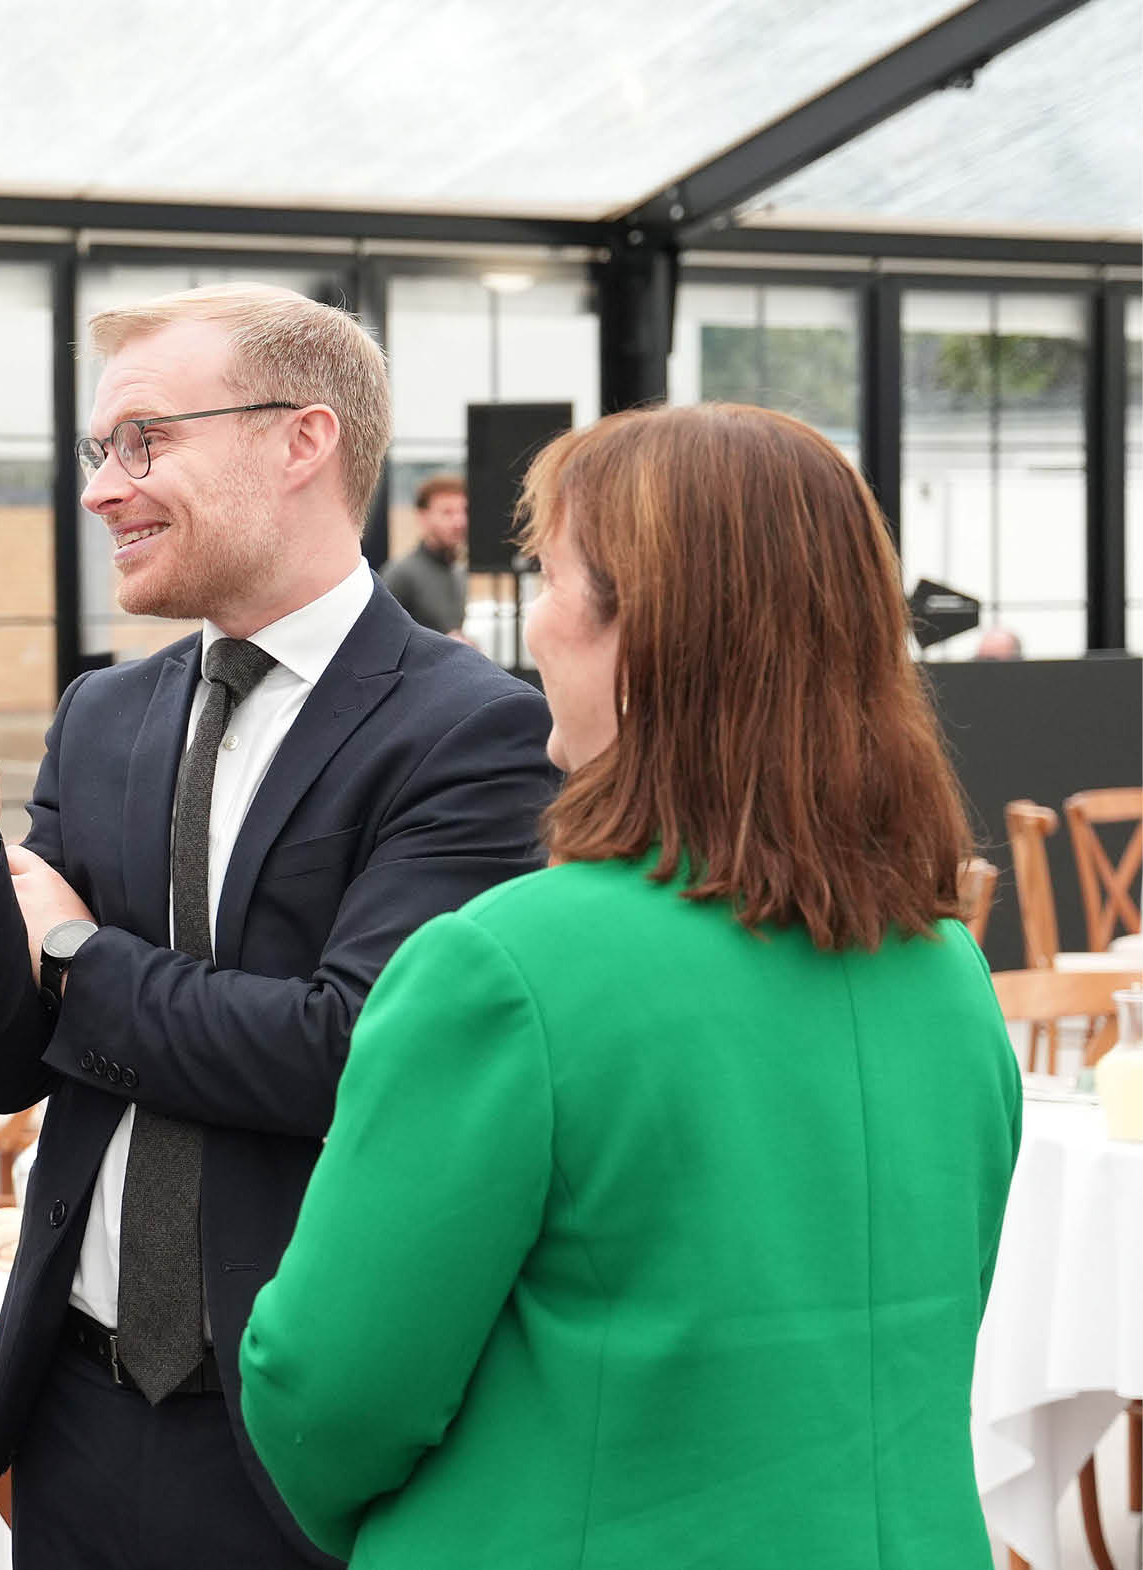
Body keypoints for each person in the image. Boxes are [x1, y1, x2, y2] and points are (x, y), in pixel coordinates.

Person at [0, 284, 557, 1567]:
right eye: (99, 452)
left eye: (144, 442)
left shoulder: (467, 730)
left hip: (303, 1430)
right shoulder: (108, 715)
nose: (102, 490)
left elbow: (350, 1053)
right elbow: (11, 1061)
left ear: (301, 441)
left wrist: (79, 952)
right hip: (77, 1413)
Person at [240, 403, 1021, 1567]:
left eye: (550, 580)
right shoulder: (949, 968)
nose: (533, 631)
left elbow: (327, 1393)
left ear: (644, 635)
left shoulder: (502, 972)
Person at [380, 470, 467, 635]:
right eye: (447, 512)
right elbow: (380, 635)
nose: (459, 521)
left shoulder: (458, 572)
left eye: (463, 511)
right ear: (422, 517)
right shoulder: (401, 574)